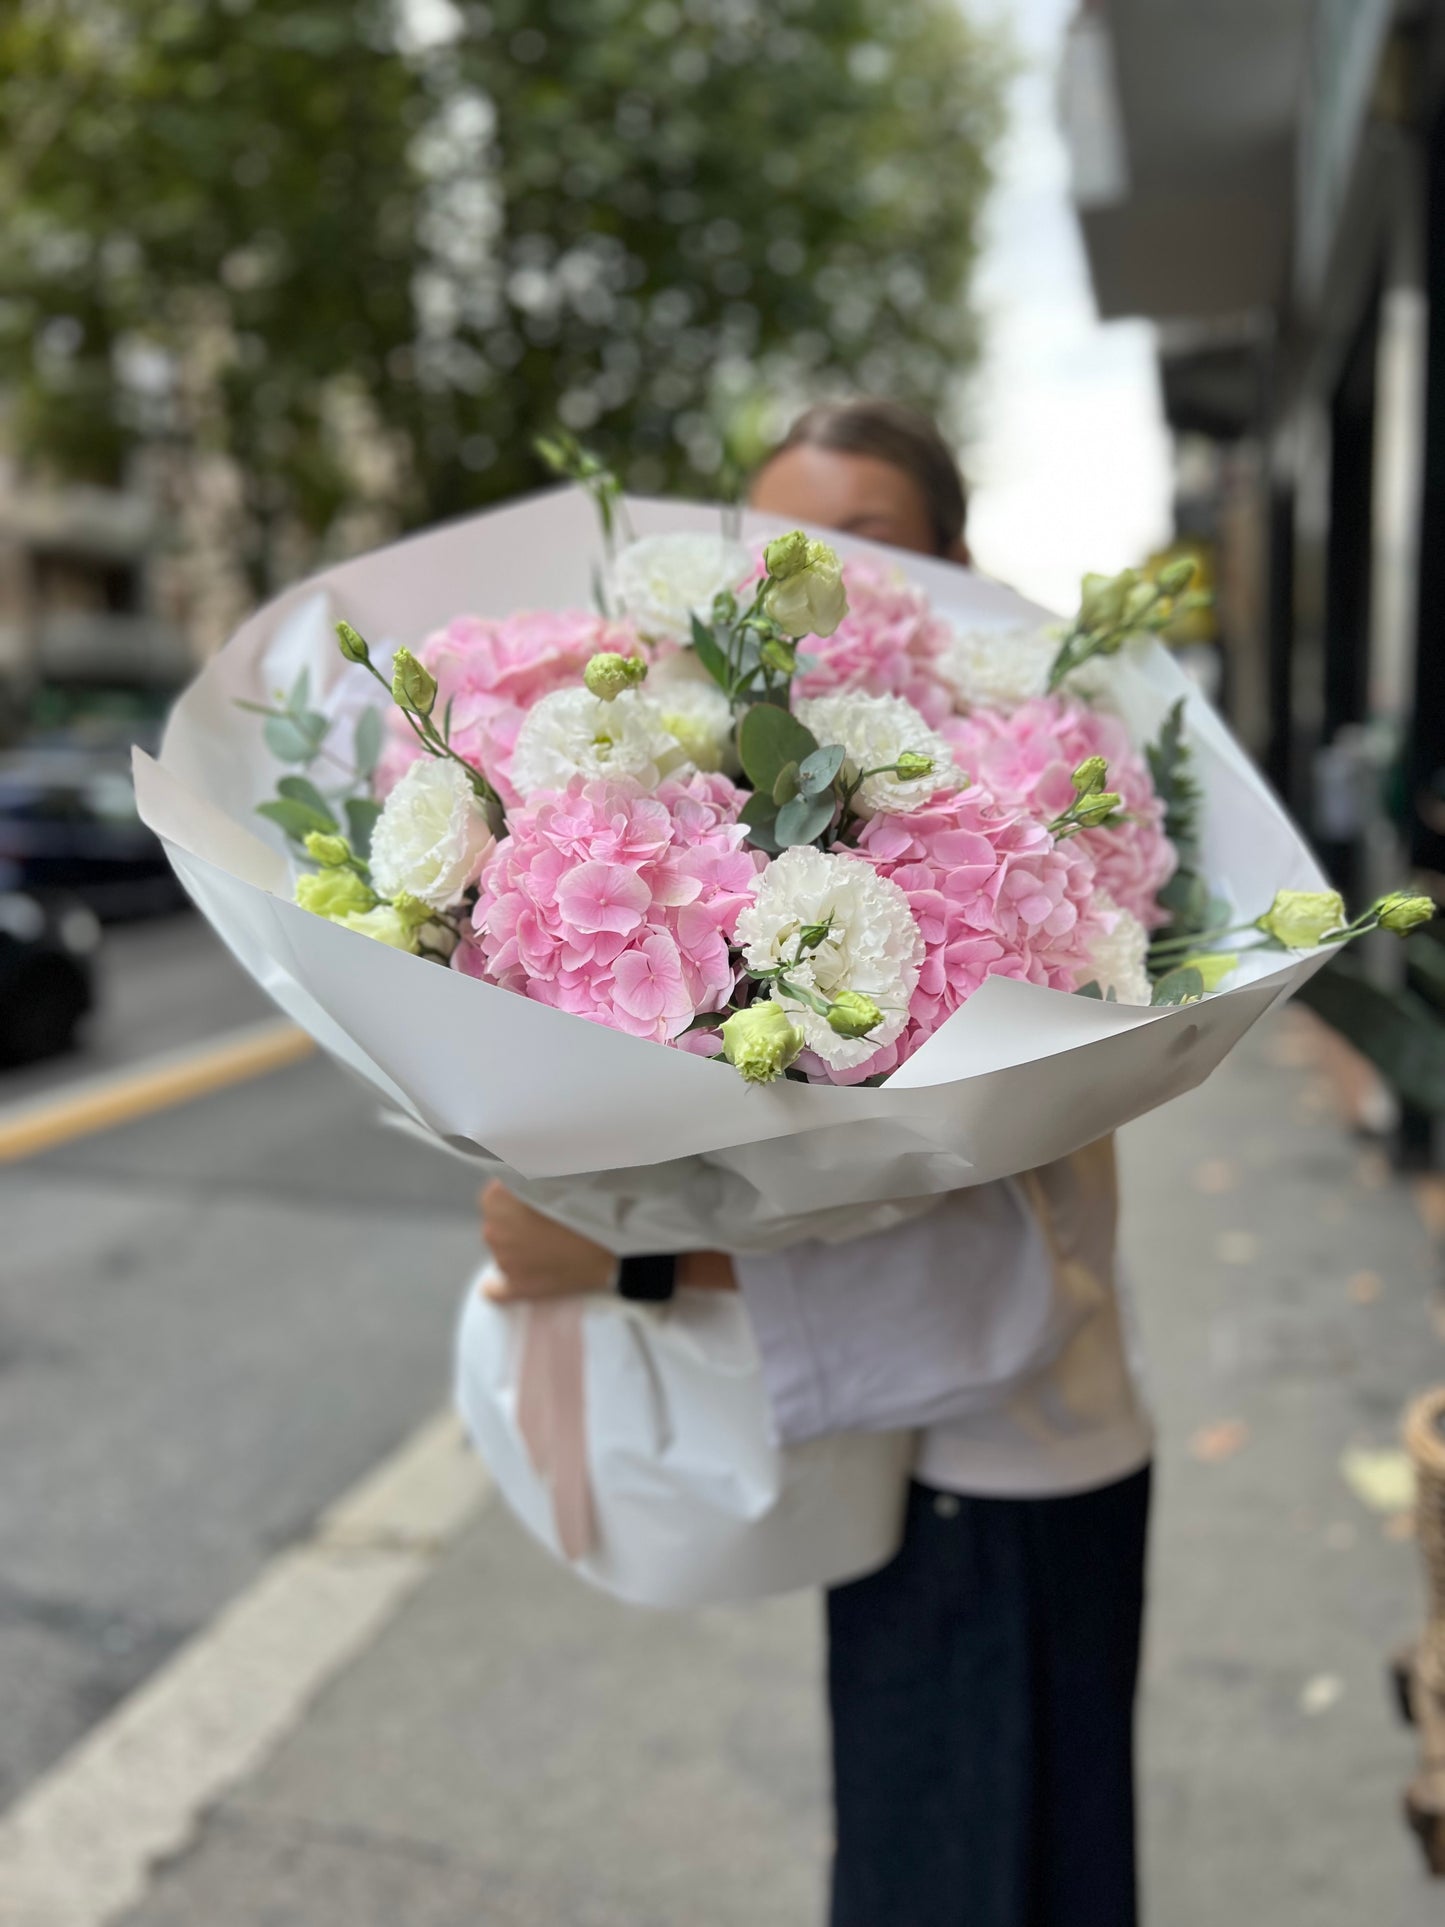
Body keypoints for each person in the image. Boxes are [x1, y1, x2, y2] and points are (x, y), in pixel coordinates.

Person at [479, 398, 1153, 1927]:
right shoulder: (782, 811)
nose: (813, 580)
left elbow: (1012, 1280)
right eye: (780, 547)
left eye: (864, 542)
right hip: (921, 1489)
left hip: (1014, 1490)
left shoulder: (1006, 820)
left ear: (954, 573)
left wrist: (631, 1259)